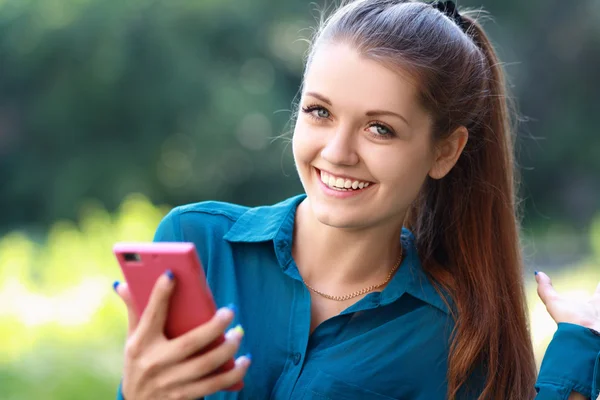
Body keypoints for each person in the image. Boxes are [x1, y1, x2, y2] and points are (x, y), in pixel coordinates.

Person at [113, 1, 600, 399]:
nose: (338, 152)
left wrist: (578, 355)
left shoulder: (453, 338)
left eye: (379, 128)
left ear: (445, 151)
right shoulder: (196, 243)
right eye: (319, 111)